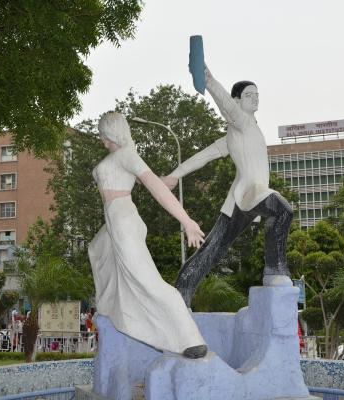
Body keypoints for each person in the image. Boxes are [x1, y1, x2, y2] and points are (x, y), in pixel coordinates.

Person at [162, 65, 294, 306]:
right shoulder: (241, 122)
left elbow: (205, 155)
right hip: (249, 194)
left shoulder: (245, 130)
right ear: (236, 101)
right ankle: (275, 271)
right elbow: (226, 109)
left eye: (257, 95)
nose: (255, 99)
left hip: (245, 199)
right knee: (283, 210)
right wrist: (209, 80)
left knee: (213, 249)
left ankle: (180, 293)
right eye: (248, 95)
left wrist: (174, 175)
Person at [88, 112, 208, 359]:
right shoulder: (120, 157)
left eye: (104, 135)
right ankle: (112, 306)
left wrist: (186, 221)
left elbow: (152, 186)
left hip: (123, 221)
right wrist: (164, 180)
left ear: (112, 132)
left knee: (147, 280)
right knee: (97, 250)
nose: (102, 140)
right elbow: (151, 181)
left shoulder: (126, 155)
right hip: (113, 224)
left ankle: (189, 338)